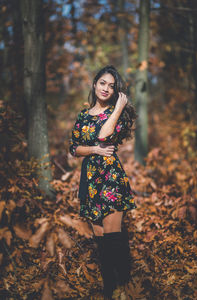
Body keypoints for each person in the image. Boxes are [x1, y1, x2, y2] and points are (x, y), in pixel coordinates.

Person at [69, 65, 137, 298]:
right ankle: (110, 289)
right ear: (94, 84)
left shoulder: (117, 115)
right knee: (99, 237)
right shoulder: (83, 116)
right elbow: (74, 149)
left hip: (110, 178)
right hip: (89, 179)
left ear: (116, 91)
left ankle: (126, 285)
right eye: (102, 83)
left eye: (111, 86)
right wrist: (95, 150)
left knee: (112, 235)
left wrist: (118, 107)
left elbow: (104, 135)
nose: (106, 88)